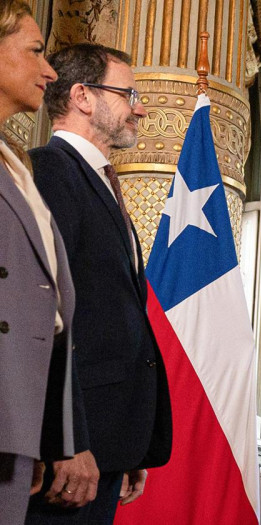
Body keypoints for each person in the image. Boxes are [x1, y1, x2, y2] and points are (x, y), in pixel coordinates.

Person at [27, 44, 171, 524]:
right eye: (128, 92)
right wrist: (65, 441)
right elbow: (44, 318)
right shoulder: (50, 171)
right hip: (69, 455)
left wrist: (124, 445)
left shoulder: (102, 181)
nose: (141, 107)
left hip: (105, 445)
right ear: (83, 96)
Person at [0, 2, 86, 520]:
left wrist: (38, 431)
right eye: (35, 51)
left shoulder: (16, 162)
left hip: (18, 417)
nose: (49, 71)